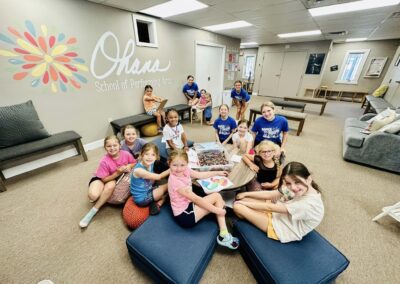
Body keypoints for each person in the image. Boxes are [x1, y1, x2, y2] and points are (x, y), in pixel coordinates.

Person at [233, 162, 324, 243]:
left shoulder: (308, 204)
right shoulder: (300, 189)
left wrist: (245, 204)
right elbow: (272, 194)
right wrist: (246, 194)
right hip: (279, 213)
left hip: (282, 228)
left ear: (308, 179)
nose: (293, 187)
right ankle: (250, 215)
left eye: (297, 182)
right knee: (242, 201)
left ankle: (249, 217)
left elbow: (270, 207)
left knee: (238, 207)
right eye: (288, 183)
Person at [168, 149, 239, 249]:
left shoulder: (186, 170)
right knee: (217, 200)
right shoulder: (176, 182)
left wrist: (217, 173)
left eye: (182, 165)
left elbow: (199, 175)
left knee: (217, 196)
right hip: (185, 215)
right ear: (169, 164)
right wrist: (218, 210)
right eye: (174, 165)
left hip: (189, 204)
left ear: (187, 164)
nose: (179, 169)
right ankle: (224, 235)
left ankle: (223, 233)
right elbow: (197, 200)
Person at [79, 135, 136, 228]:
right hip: (102, 178)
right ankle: (98, 201)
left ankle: (93, 210)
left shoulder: (126, 154)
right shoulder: (104, 161)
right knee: (93, 196)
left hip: (114, 179)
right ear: (105, 148)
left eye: (115, 145)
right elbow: (104, 179)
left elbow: (135, 162)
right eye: (109, 146)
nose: (112, 148)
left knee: (110, 186)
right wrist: (118, 173)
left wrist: (129, 166)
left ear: (119, 145)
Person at [130, 143, 170, 215]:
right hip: (141, 199)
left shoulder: (150, 163)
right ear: (142, 155)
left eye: (153, 155)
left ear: (156, 157)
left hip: (148, 189)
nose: (149, 157)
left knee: (166, 187)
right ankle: (160, 202)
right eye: (146, 154)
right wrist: (172, 168)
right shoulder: (139, 170)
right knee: (169, 185)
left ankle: (156, 201)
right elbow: (159, 177)